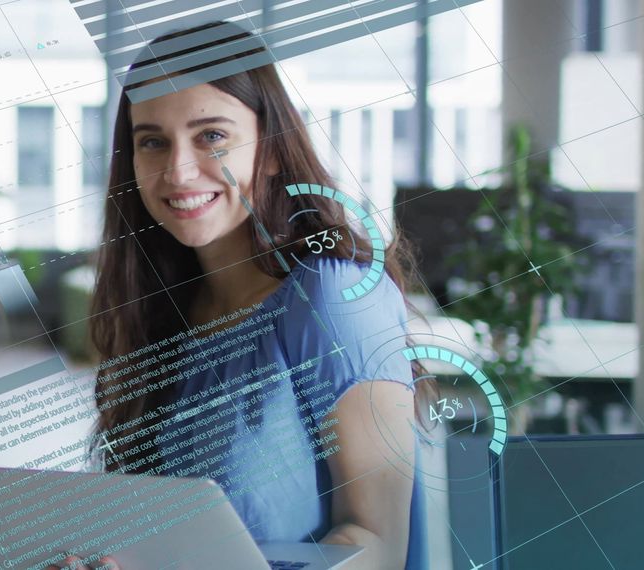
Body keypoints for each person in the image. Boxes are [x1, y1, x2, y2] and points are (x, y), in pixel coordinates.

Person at [51, 22, 428, 570]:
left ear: (272, 150)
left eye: (211, 137)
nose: (178, 171)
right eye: (153, 141)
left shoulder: (333, 297)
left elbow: (378, 546)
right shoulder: (161, 309)